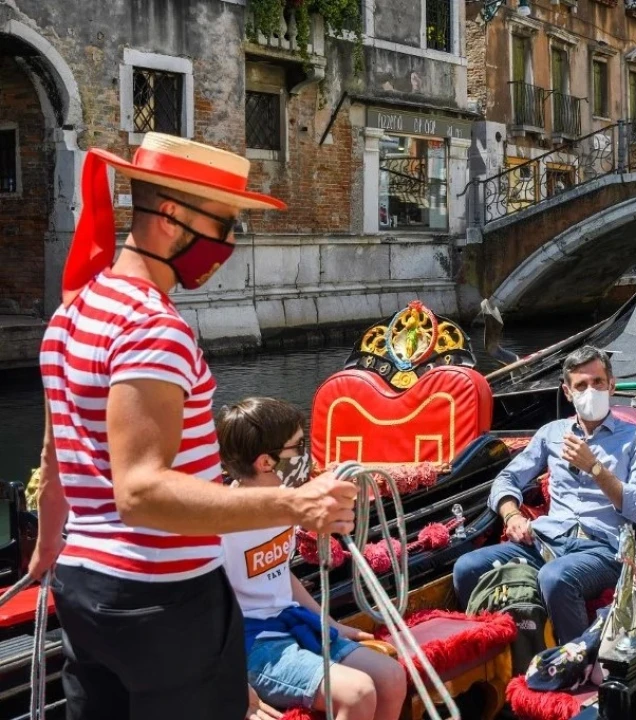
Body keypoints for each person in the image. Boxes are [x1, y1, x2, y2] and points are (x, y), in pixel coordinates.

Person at [32, 133, 360, 720]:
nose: (230, 243)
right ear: (171, 216)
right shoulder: (153, 327)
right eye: (224, 224)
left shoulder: (71, 313)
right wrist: (295, 504)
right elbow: (141, 491)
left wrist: (45, 550)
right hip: (163, 597)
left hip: (83, 587)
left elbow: (56, 457)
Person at [217, 399, 407, 720]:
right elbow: (204, 608)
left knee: (391, 677)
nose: (307, 455)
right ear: (266, 461)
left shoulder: (285, 504)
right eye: (299, 446)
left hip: (293, 622)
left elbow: (281, 574)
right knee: (358, 693)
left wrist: (330, 623)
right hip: (251, 643)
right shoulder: (223, 525)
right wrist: (230, 682)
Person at [452, 346, 636, 644]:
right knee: (466, 568)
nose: (591, 391)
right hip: (545, 540)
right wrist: (512, 515)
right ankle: (498, 649)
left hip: (602, 550)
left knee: (556, 577)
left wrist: (596, 469)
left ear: (611, 385)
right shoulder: (552, 433)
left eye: (598, 382)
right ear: (568, 392)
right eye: (581, 385)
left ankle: (576, 659)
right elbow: (507, 478)